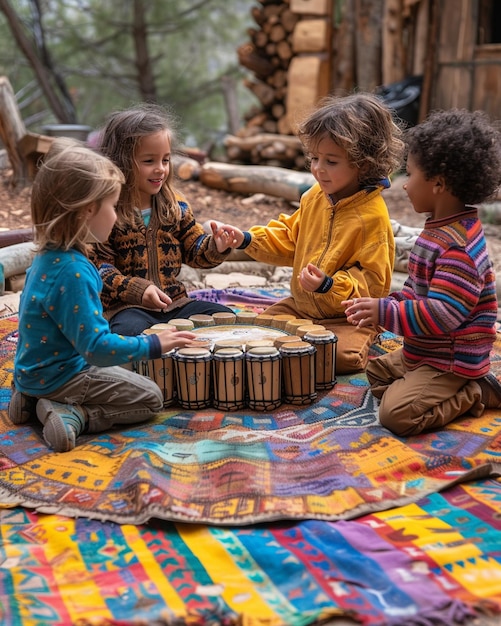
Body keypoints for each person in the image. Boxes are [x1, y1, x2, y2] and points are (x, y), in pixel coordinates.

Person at [8, 138, 198, 453]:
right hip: (64, 375)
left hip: (30, 373)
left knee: (121, 364)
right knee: (150, 397)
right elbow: (95, 349)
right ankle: (74, 413)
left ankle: (30, 398)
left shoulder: (46, 257)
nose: (117, 215)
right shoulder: (75, 272)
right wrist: (155, 344)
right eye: (112, 206)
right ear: (87, 211)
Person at [343, 108, 501, 437]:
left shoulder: (459, 249)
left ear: (439, 184)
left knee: (397, 415)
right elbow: (418, 291)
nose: (403, 186)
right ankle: (427, 385)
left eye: (410, 175)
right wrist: (385, 303)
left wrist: (386, 312)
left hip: (451, 359)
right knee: (377, 373)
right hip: (426, 350)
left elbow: (442, 314)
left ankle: (474, 392)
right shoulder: (437, 228)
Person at [238, 92, 405, 373]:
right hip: (301, 307)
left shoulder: (372, 217)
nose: (318, 169)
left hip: (349, 317)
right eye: (314, 158)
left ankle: (367, 335)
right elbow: (290, 238)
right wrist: (248, 239)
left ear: (362, 163)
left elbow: (374, 283)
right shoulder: (314, 197)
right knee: (256, 336)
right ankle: (303, 340)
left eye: (331, 161)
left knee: (339, 357)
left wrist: (328, 285)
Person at [90, 103, 248, 336]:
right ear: (120, 161)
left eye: (165, 160)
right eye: (149, 161)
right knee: (129, 334)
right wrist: (137, 290)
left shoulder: (175, 206)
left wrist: (216, 246)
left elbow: (194, 251)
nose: (160, 169)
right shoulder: (107, 212)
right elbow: (99, 269)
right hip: (128, 308)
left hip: (176, 304)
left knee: (226, 321)